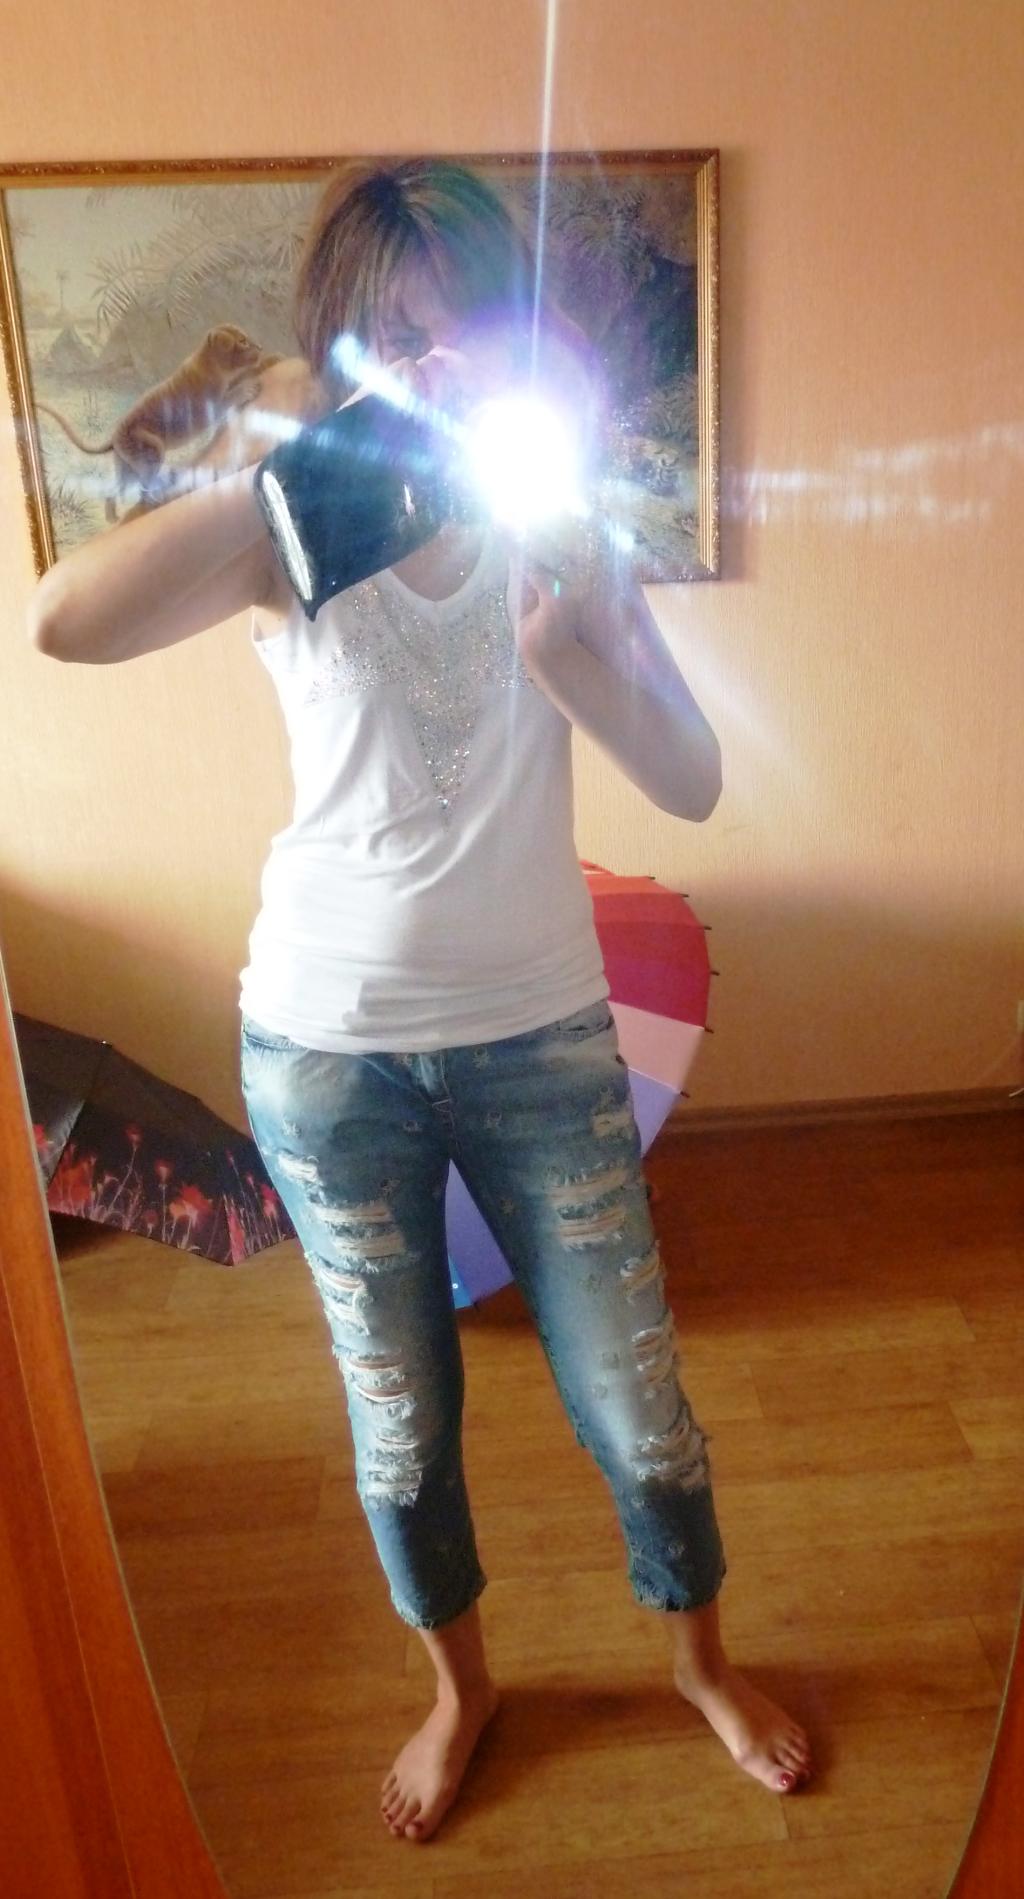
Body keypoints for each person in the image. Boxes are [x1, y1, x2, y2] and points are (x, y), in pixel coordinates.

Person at [27, 158, 812, 1844]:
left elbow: (691, 779)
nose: (442, 366)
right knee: (400, 1432)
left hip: (544, 1039)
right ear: (343, 354)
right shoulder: (291, 526)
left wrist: (568, 655)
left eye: (470, 330)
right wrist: (303, 447)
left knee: (640, 1409)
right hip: (327, 1054)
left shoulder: (559, 515)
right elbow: (61, 625)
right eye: (398, 337)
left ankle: (700, 1665)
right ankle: (462, 1693)